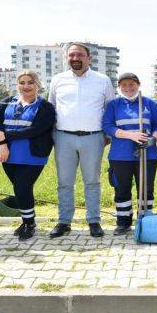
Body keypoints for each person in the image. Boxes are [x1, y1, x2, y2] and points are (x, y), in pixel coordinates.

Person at [48, 42, 115, 238]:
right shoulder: (58, 80)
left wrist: (106, 136)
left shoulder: (102, 80)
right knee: (64, 182)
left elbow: (109, 109)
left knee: (92, 181)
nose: (75, 59)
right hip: (63, 137)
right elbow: (51, 107)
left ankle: (94, 221)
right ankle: (64, 221)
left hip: (93, 138)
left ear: (88, 58)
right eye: (71, 55)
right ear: (66, 58)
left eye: (79, 55)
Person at [0, 70, 56, 241]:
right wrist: (2, 144)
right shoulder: (5, 102)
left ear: (38, 85)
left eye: (30, 82)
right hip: (8, 154)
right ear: (17, 85)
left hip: (32, 156)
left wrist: (7, 136)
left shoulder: (46, 107)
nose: (26, 86)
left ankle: (29, 223)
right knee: (20, 189)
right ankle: (27, 221)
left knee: (22, 187)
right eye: (22, 82)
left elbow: (36, 130)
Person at [102, 73, 157, 235]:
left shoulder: (149, 103)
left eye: (132, 84)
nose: (128, 88)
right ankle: (123, 222)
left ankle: (144, 220)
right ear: (119, 87)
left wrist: (153, 139)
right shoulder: (113, 105)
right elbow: (107, 126)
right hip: (120, 155)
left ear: (138, 84)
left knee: (146, 190)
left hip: (147, 154)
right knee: (122, 188)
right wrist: (131, 135)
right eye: (124, 85)